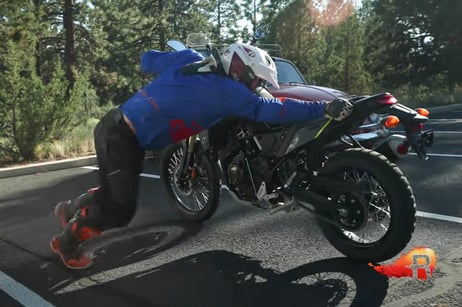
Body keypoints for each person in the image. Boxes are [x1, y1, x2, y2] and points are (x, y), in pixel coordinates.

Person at [50, 43, 353, 269]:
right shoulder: (226, 90)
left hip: (116, 125)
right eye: (255, 81)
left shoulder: (192, 60)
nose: (255, 87)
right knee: (121, 210)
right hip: (122, 137)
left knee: (115, 188)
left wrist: (177, 60)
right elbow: (268, 108)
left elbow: (148, 60)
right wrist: (321, 108)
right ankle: (68, 243)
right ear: (239, 70)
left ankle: (71, 209)